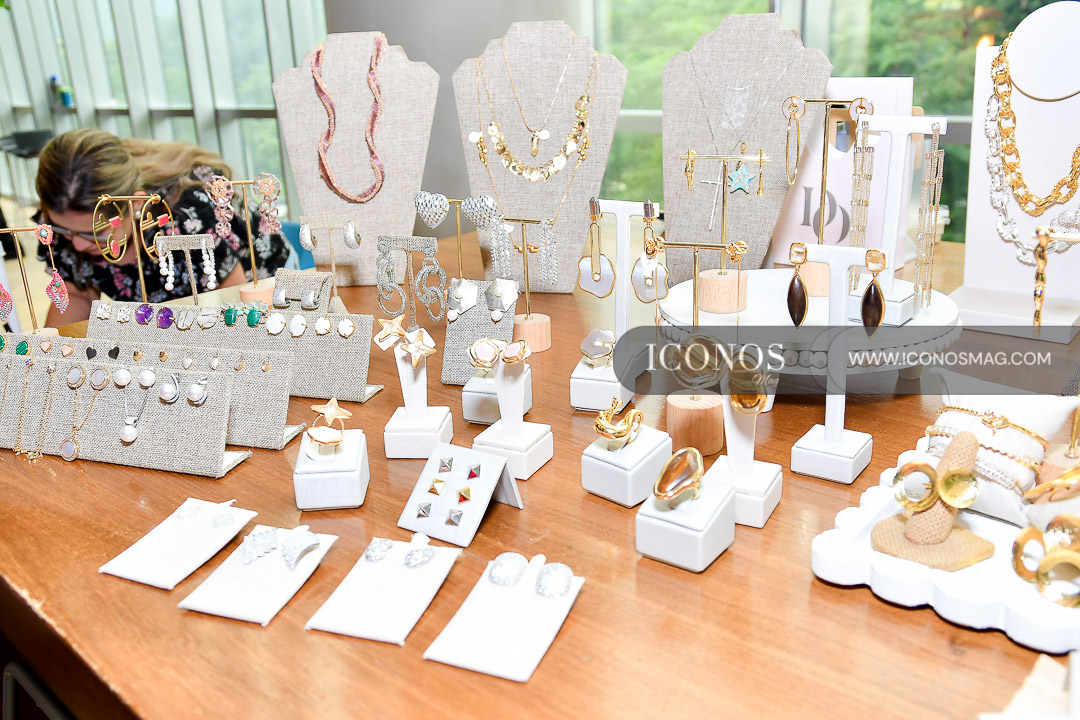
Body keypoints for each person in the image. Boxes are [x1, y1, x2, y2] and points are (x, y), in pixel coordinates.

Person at [34, 128, 291, 325]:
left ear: (135, 204)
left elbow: (233, 308)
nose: (78, 244)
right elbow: (77, 294)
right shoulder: (60, 224)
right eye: (65, 231)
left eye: (95, 233)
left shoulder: (189, 220)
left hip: (257, 286)